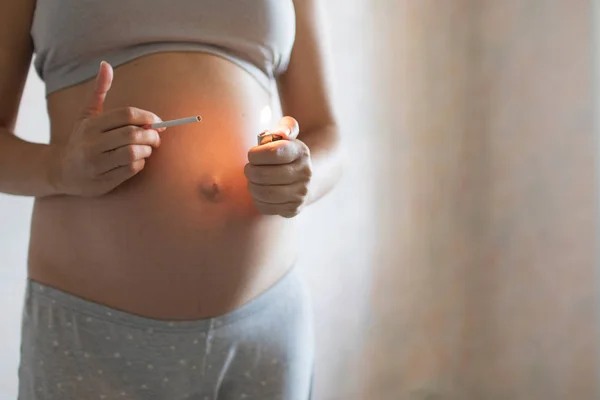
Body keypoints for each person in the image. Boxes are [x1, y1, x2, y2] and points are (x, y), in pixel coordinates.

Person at [0, 0, 344, 398]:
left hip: (265, 329)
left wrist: (305, 174)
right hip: (94, 338)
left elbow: (327, 134)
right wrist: (59, 167)